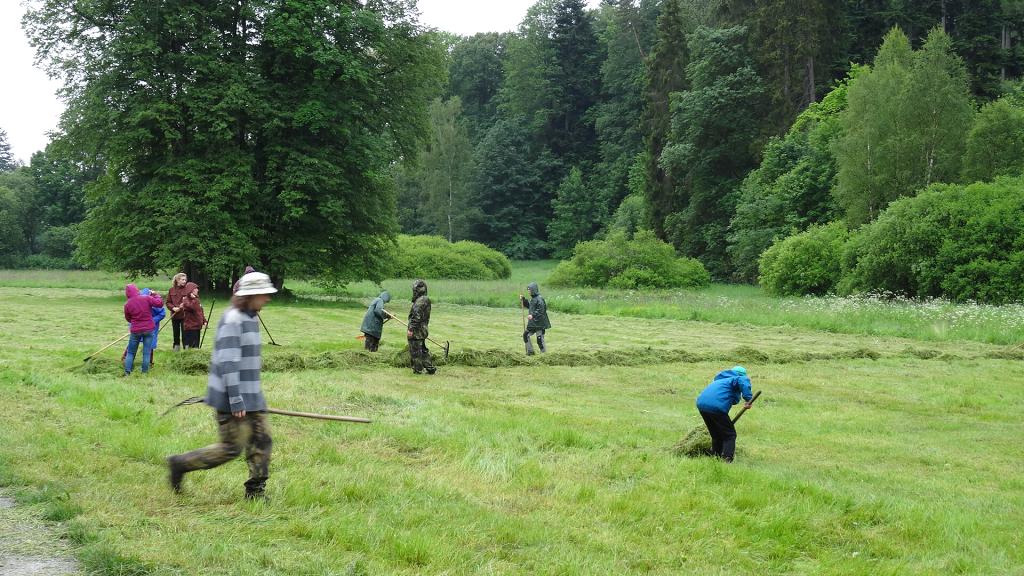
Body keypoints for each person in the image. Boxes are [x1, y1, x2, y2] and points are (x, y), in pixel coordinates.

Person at [167, 272, 277, 500]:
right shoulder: (233, 319)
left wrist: (253, 397)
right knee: (231, 448)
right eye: (264, 294)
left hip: (251, 395)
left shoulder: (251, 317)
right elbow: (228, 362)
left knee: (262, 440)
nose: (267, 298)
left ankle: (255, 492)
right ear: (251, 295)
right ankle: (180, 464)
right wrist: (236, 399)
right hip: (232, 396)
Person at [695, 366, 753, 462]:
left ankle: (715, 457)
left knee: (716, 434)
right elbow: (743, 381)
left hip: (702, 405)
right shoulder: (738, 378)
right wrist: (748, 399)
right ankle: (727, 459)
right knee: (729, 435)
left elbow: (734, 399)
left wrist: (742, 401)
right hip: (716, 407)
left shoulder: (721, 381)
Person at [123, 284, 163, 376]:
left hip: (135, 330)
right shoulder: (146, 298)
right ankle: (144, 373)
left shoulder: (127, 304)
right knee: (146, 352)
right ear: (137, 290)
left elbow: (128, 318)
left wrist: (135, 322)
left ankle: (127, 372)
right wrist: (156, 294)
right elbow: (159, 303)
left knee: (131, 352)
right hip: (149, 329)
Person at [407, 279, 435, 375]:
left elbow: (416, 317)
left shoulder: (419, 301)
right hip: (423, 330)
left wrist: (411, 329)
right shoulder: (426, 300)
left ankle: (418, 369)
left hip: (416, 331)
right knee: (423, 350)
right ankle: (430, 368)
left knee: (415, 351)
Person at [519, 282, 551, 355]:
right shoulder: (533, 299)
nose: (529, 291)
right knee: (525, 335)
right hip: (533, 323)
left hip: (540, 323)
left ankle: (544, 354)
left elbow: (541, 310)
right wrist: (523, 300)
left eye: (529, 290)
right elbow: (530, 306)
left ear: (533, 290)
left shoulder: (540, 299)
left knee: (539, 339)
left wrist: (532, 315)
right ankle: (530, 352)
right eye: (528, 290)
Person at [180, 282, 207, 349]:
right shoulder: (186, 300)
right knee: (191, 347)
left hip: (197, 326)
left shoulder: (196, 299)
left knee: (196, 346)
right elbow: (192, 307)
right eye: (195, 289)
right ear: (191, 290)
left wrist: (204, 321)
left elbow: (200, 311)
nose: (197, 290)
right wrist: (194, 299)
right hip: (191, 327)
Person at [167, 273, 189, 351]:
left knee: (185, 333)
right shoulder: (171, 290)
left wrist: (185, 304)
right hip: (175, 315)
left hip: (184, 315)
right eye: (182, 279)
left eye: (185, 280)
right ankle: (176, 349)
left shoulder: (188, 289)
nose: (184, 281)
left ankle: (186, 349)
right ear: (177, 280)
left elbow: (192, 301)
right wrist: (173, 308)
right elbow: (168, 302)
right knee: (176, 333)